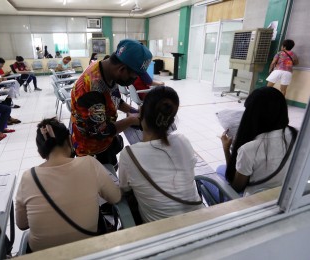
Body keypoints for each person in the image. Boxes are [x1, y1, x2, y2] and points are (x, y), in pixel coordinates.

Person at [15, 118, 121, 253]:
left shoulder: (28, 177)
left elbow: (22, 224)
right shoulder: (89, 163)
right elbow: (115, 197)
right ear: (70, 141)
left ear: (41, 151)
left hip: (43, 255)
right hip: (88, 252)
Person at [119, 86, 203, 223]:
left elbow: (123, 189)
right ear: (171, 119)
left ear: (141, 112)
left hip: (160, 233)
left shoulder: (129, 155)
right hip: (200, 222)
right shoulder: (182, 141)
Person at [70, 39, 152, 168]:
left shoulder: (106, 70)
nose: (133, 81)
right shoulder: (91, 89)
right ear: (122, 69)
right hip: (91, 150)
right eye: (134, 76)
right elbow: (100, 132)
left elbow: (115, 100)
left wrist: (134, 111)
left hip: (106, 141)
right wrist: (130, 121)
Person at [221, 87, 298, 196]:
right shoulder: (297, 135)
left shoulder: (248, 149)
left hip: (255, 202)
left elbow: (237, 187)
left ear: (252, 115)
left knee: (218, 171)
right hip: (287, 195)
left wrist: (226, 149)